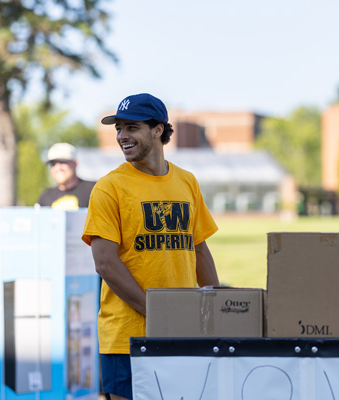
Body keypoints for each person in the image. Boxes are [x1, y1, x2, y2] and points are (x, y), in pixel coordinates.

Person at [81, 93, 220, 400]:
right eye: (118, 129)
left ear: (158, 130)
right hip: (127, 338)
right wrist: (157, 314)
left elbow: (199, 250)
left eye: (131, 127)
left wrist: (216, 312)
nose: (121, 136)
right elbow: (105, 263)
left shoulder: (187, 182)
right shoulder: (109, 187)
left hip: (182, 332)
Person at [38, 142, 96, 209]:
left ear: (75, 163)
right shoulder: (45, 196)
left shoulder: (93, 190)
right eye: (53, 164)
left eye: (62, 162)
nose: (58, 168)